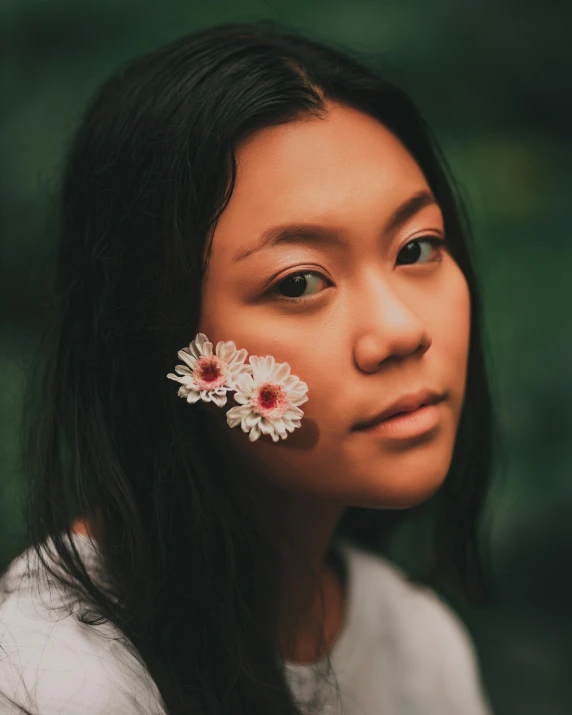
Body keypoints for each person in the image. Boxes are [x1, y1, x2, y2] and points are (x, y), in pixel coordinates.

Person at [0, 19, 500, 715]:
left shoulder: (414, 643)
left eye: (416, 248)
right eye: (298, 282)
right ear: (158, 337)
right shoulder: (50, 678)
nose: (400, 330)